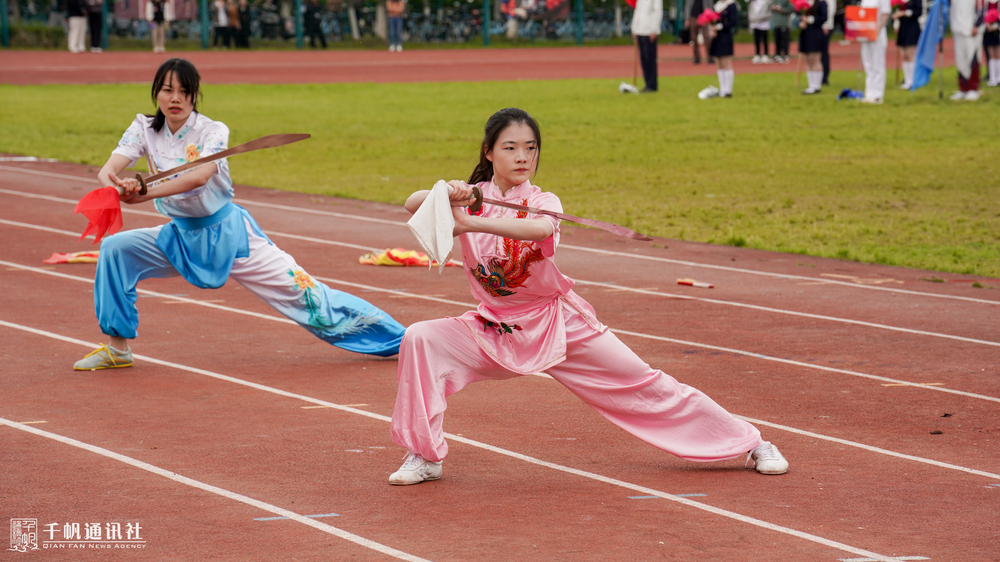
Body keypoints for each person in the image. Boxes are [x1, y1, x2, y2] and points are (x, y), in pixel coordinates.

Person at [387, 107, 789, 486]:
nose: (522, 156)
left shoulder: (544, 201)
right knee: (421, 337)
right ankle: (424, 456)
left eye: (531, 148)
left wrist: (468, 220)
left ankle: (751, 443)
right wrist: (448, 190)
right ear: (489, 152)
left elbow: (542, 231)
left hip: (558, 325)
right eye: (510, 147)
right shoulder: (472, 195)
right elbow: (412, 203)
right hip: (495, 326)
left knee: (645, 384)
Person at [73, 59, 406, 371]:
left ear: (195, 96)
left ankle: (401, 340)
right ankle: (117, 349)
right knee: (115, 250)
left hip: (230, 236)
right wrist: (117, 187)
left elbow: (199, 177)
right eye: (167, 90)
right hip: (180, 236)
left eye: (184, 92)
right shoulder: (144, 127)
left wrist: (145, 193)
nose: (175, 99)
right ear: (156, 91)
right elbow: (108, 171)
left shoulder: (212, 131)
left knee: (309, 297)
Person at [699, 0, 738, 98]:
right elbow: (713, 20)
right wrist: (712, 29)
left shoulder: (731, 5)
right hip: (717, 37)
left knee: (726, 62)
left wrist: (719, 27)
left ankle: (728, 91)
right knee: (719, 63)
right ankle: (722, 90)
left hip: (725, 36)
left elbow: (733, 22)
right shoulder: (718, 6)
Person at [949, 0, 985, 100]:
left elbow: (981, 8)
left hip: (971, 31)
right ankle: (963, 88)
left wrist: (976, 25)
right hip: (958, 29)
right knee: (961, 60)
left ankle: (973, 88)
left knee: (972, 58)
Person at [858, 0, 890, 103]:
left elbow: (885, 16)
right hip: (866, 34)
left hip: (878, 35)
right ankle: (869, 94)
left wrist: (877, 31)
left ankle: (877, 95)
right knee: (868, 64)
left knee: (878, 65)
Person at [631, 0, 663, 93]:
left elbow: (658, 11)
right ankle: (647, 82)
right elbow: (637, 11)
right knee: (643, 58)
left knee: (650, 58)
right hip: (640, 30)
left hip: (649, 31)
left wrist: (654, 29)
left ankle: (652, 84)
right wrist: (634, 28)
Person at [799, 0, 828, 94]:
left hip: (816, 34)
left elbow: (824, 18)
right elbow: (800, 16)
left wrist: (809, 20)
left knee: (815, 59)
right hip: (806, 33)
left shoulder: (821, 3)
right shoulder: (804, 4)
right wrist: (802, 23)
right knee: (808, 60)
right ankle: (811, 85)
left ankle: (816, 86)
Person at [892, 0, 922, 89]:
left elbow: (918, 12)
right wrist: (896, 23)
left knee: (910, 55)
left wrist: (904, 13)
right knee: (904, 55)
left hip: (912, 28)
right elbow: (897, 12)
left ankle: (913, 80)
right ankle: (907, 80)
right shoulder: (900, 1)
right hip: (903, 28)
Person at [983, 0, 999, 87]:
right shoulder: (986, 3)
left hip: (997, 31)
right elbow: (983, 14)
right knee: (991, 55)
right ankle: (992, 78)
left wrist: (996, 26)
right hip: (988, 32)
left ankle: (999, 77)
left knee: (998, 54)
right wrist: (987, 25)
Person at [821, 0, 835, 85]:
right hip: (815, 26)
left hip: (826, 27)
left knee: (823, 52)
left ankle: (824, 77)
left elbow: (831, 10)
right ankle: (817, 76)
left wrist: (826, 25)